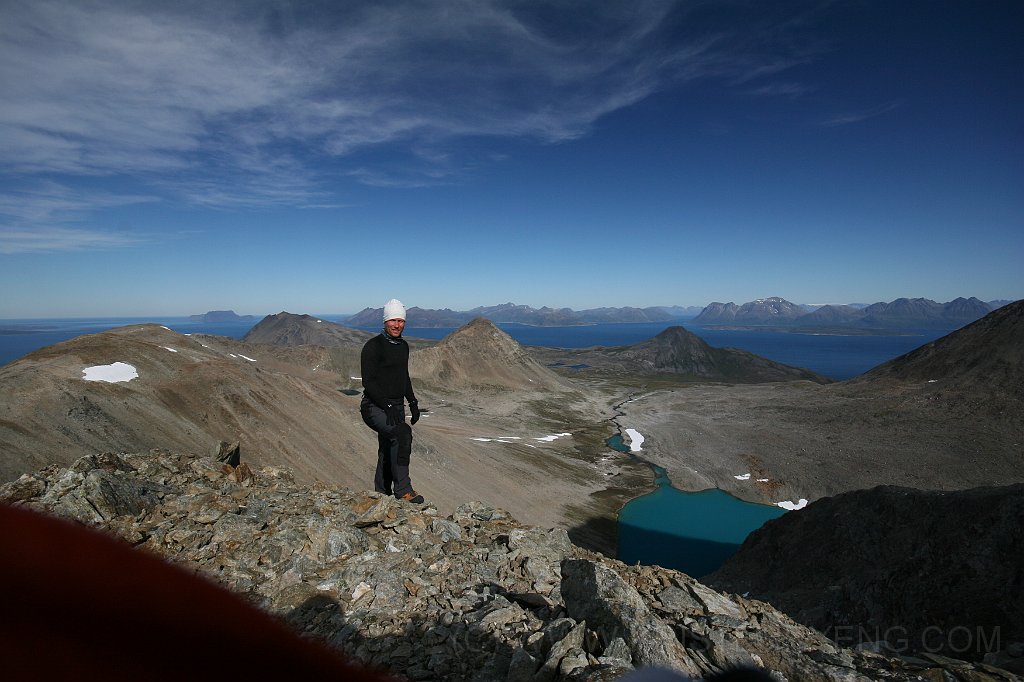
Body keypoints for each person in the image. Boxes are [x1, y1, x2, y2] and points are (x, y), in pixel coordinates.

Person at [359, 298, 424, 503]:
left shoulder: (403, 347)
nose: (397, 325)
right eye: (393, 320)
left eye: (401, 321)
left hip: (395, 406)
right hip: (374, 406)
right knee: (402, 434)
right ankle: (403, 490)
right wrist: (386, 405)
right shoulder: (373, 347)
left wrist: (412, 403)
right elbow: (368, 382)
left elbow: (403, 377)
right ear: (385, 321)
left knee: (388, 447)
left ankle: (381, 493)